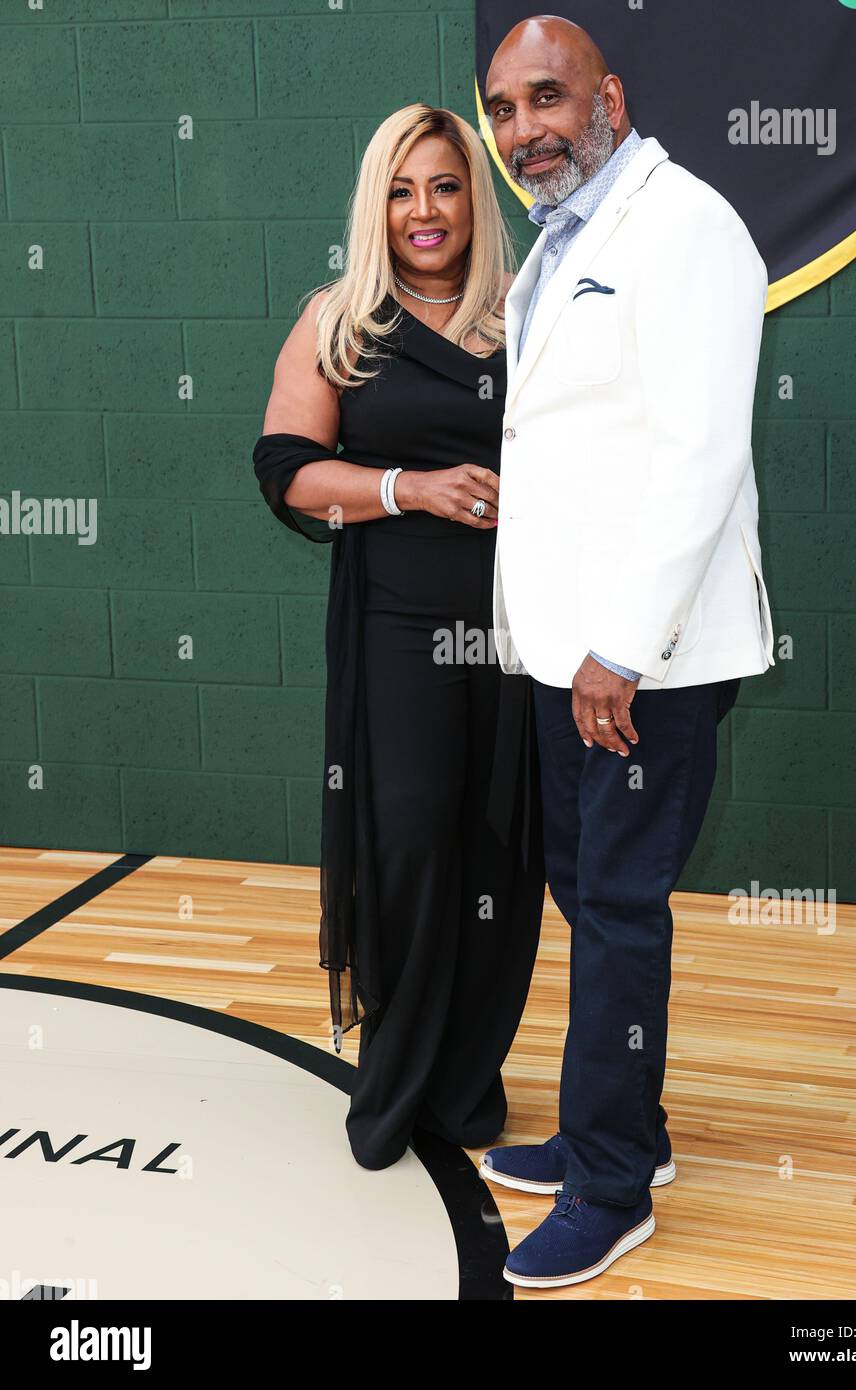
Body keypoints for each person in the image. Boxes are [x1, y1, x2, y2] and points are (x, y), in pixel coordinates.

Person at [478, 16, 775, 1288]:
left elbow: (698, 455)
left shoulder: (685, 225)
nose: (523, 128)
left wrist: (623, 648)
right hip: (565, 653)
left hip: (637, 660)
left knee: (612, 912)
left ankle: (609, 1185)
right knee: (581, 888)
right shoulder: (563, 236)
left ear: (607, 95)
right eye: (501, 108)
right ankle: (630, 1129)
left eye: (545, 97)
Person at [253, 103, 546, 1171]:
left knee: (502, 851)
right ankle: (397, 1081)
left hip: (522, 634)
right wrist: (408, 487)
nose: (424, 211)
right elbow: (286, 467)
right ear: (375, 203)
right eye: (400, 188)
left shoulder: (532, 310)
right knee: (411, 844)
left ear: (476, 197)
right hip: (397, 628)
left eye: (445, 185)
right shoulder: (340, 320)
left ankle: (466, 1083)